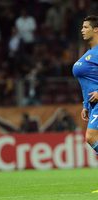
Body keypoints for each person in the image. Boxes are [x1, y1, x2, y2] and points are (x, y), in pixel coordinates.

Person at [72, 15, 98, 154]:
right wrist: (86, 104)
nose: (82, 30)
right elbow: (88, 81)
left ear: (96, 30)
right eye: (82, 27)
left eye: (86, 27)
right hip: (93, 105)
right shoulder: (89, 53)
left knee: (91, 137)